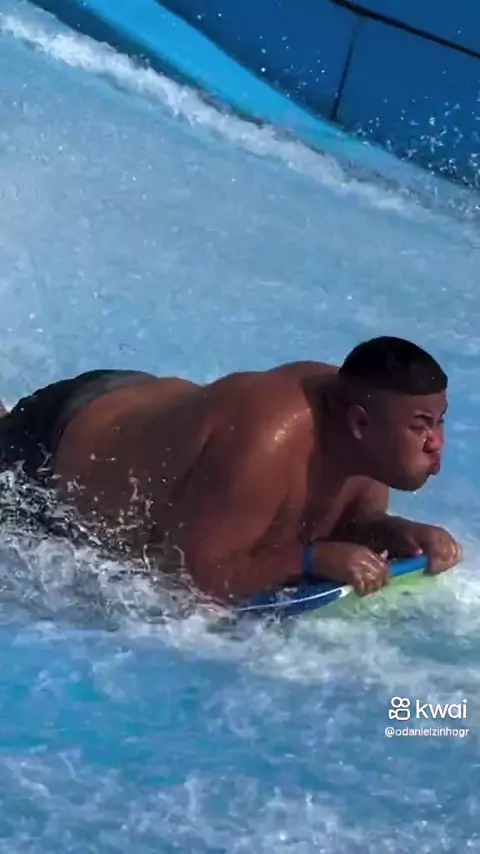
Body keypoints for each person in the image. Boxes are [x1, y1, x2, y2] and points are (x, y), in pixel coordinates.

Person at [0, 336, 461, 602]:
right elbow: (185, 577)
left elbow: (342, 523)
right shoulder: (267, 442)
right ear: (360, 424)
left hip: (142, 408)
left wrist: (398, 533)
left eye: (439, 422)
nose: (436, 442)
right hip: (54, 439)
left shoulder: (365, 427)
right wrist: (309, 560)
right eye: (420, 426)